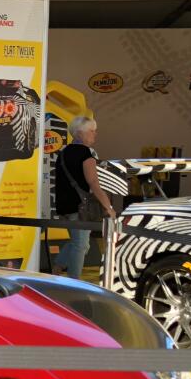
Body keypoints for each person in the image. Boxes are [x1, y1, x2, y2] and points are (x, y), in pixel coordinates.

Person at [52, 116, 116, 279]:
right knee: (80, 245)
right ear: (80, 133)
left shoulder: (63, 153)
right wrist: (108, 207)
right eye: (92, 131)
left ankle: (58, 267)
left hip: (64, 205)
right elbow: (93, 182)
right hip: (80, 207)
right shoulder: (85, 153)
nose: (95, 134)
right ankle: (74, 282)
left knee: (80, 243)